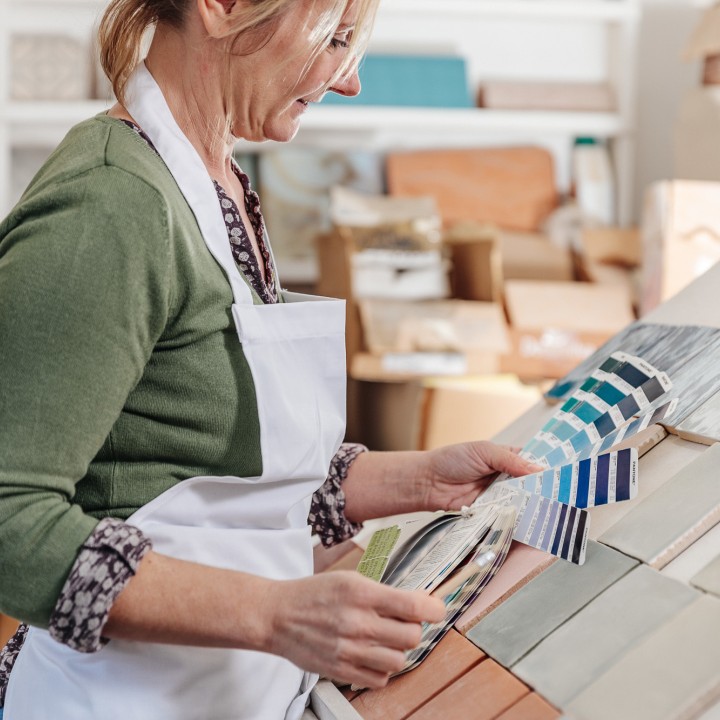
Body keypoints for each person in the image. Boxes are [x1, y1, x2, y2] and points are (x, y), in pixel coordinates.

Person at [0, 0, 538, 718]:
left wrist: (419, 478)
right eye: (335, 38)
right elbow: (9, 515)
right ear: (222, 9)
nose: (348, 81)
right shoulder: (111, 204)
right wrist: (275, 615)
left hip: (218, 691)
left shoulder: (215, 183)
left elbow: (220, 472)